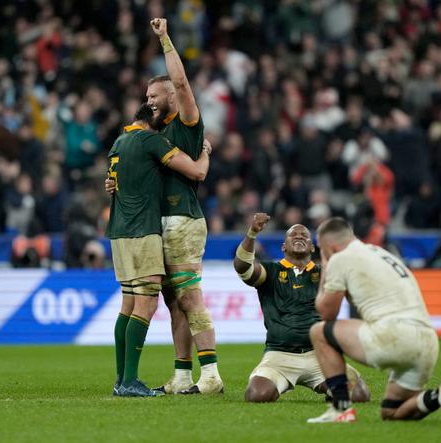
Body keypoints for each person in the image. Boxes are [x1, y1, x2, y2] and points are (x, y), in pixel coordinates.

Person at [307, 217, 441, 423]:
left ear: (330, 246)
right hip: (428, 342)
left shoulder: (340, 258)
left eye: (321, 249)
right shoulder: (379, 253)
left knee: (319, 332)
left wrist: (325, 270)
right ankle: (440, 396)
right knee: (392, 413)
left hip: (394, 335)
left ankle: (341, 409)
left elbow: (326, 314)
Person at [108, 104, 211, 397]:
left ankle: (121, 379)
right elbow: (196, 172)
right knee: (146, 304)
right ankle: (129, 381)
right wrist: (205, 153)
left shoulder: (119, 142)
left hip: (119, 230)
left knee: (128, 304)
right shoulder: (149, 140)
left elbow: (114, 182)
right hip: (142, 229)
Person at [147, 18, 222, 395]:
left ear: (173, 98)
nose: (150, 102)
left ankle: (210, 375)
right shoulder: (158, 136)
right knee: (174, 301)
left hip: (183, 220)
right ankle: (181, 376)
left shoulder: (188, 123)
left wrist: (164, 39)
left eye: (155, 96)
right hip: (164, 222)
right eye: (147, 98)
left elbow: (181, 83)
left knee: (190, 296)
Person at [234, 213, 370, 403]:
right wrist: (252, 233)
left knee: (359, 395)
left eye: (305, 235)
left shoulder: (326, 272)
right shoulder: (271, 271)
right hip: (279, 354)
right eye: (293, 235)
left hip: (320, 353)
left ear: (313, 247)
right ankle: (314, 385)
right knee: (257, 395)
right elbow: (242, 267)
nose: (299, 236)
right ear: (283, 247)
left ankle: (328, 386)